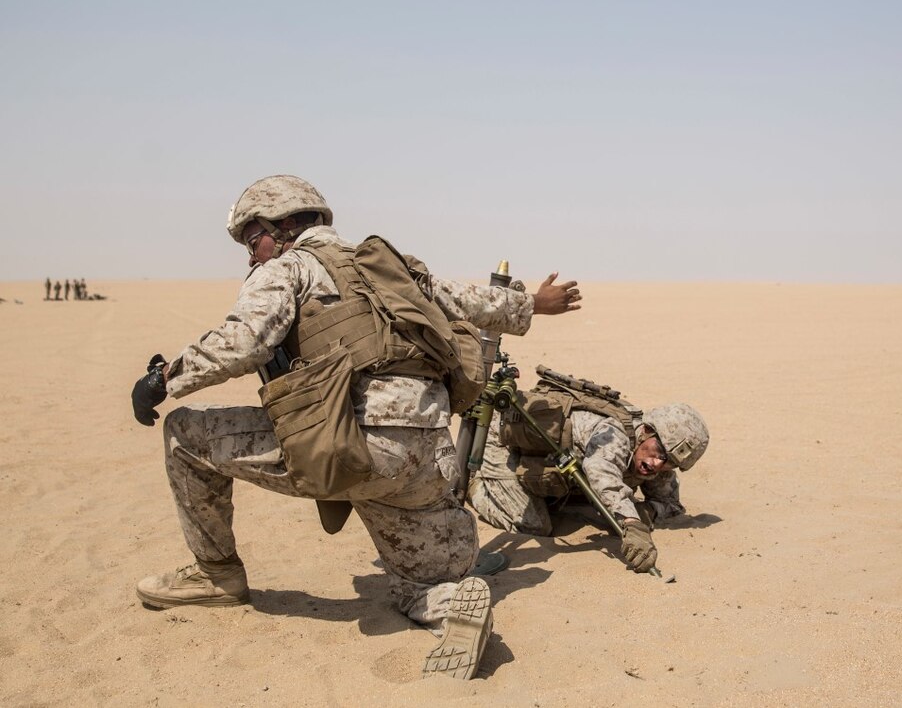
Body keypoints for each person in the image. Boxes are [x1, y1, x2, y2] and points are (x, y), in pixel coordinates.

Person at [129, 174, 581, 680]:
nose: (250, 255)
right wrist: (536, 303)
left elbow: (245, 341)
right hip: (428, 457)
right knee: (421, 583)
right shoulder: (391, 267)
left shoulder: (289, 267)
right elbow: (473, 301)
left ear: (283, 227)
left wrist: (164, 378)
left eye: (251, 239)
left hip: (351, 446)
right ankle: (450, 605)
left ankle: (216, 576)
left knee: (184, 435)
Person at [467, 369, 709, 574]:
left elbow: (672, 506)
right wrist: (632, 521)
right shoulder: (613, 433)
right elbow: (601, 472)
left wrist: (646, 511)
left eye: (669, 461)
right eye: (659, 451)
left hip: (545, 458)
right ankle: (476, 487)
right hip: (501, 440)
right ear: (646, 430)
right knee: (534, 525)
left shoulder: (656, 458)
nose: (657, 464)